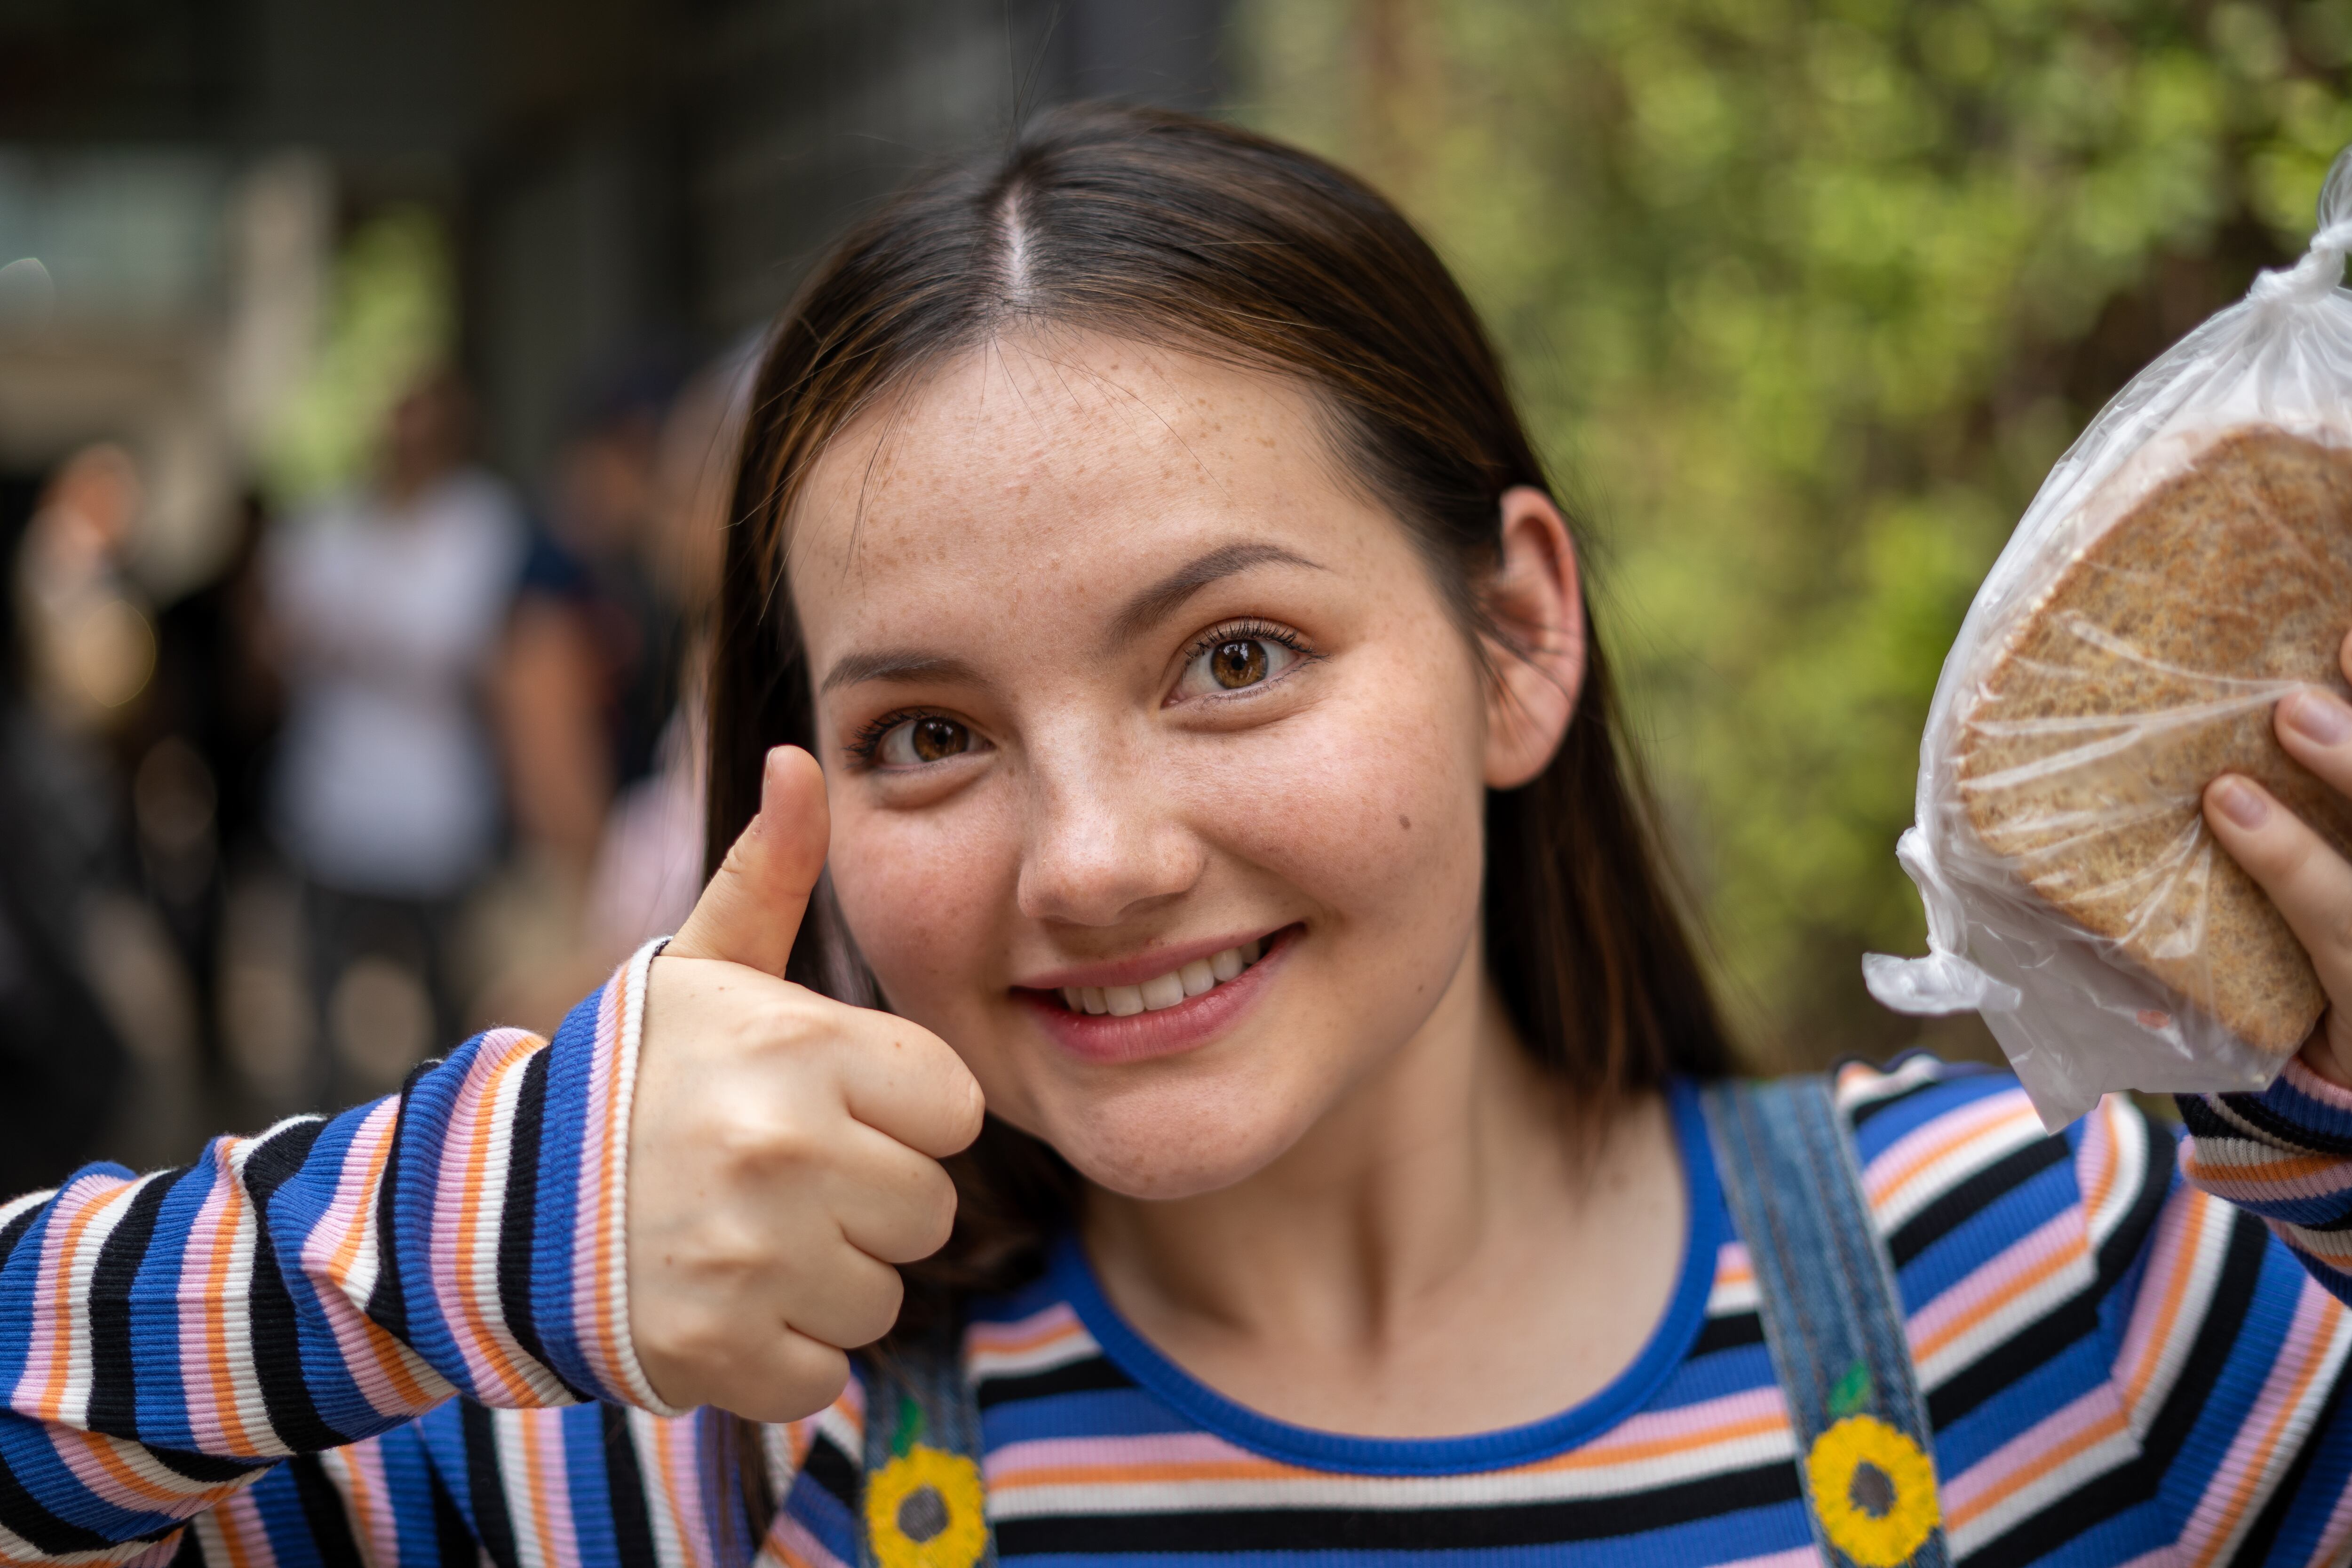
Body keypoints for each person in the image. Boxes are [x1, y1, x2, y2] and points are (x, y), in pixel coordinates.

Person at [7, 104, 2352, 1568]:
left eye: (1232, 657)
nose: (1097, 859)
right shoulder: (681, 1461)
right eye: (927, 732)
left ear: (1518, 636)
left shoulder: (2056, 1287)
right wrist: (436, 1237)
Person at [264, 368, 525, 1104]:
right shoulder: (325, 524)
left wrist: (346, 631)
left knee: (447, 1016)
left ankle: (450, 1156)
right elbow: (279, 639)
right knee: (322, 1029)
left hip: (436, 814)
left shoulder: (480, 519)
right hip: (332, 807)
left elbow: (454, 647)